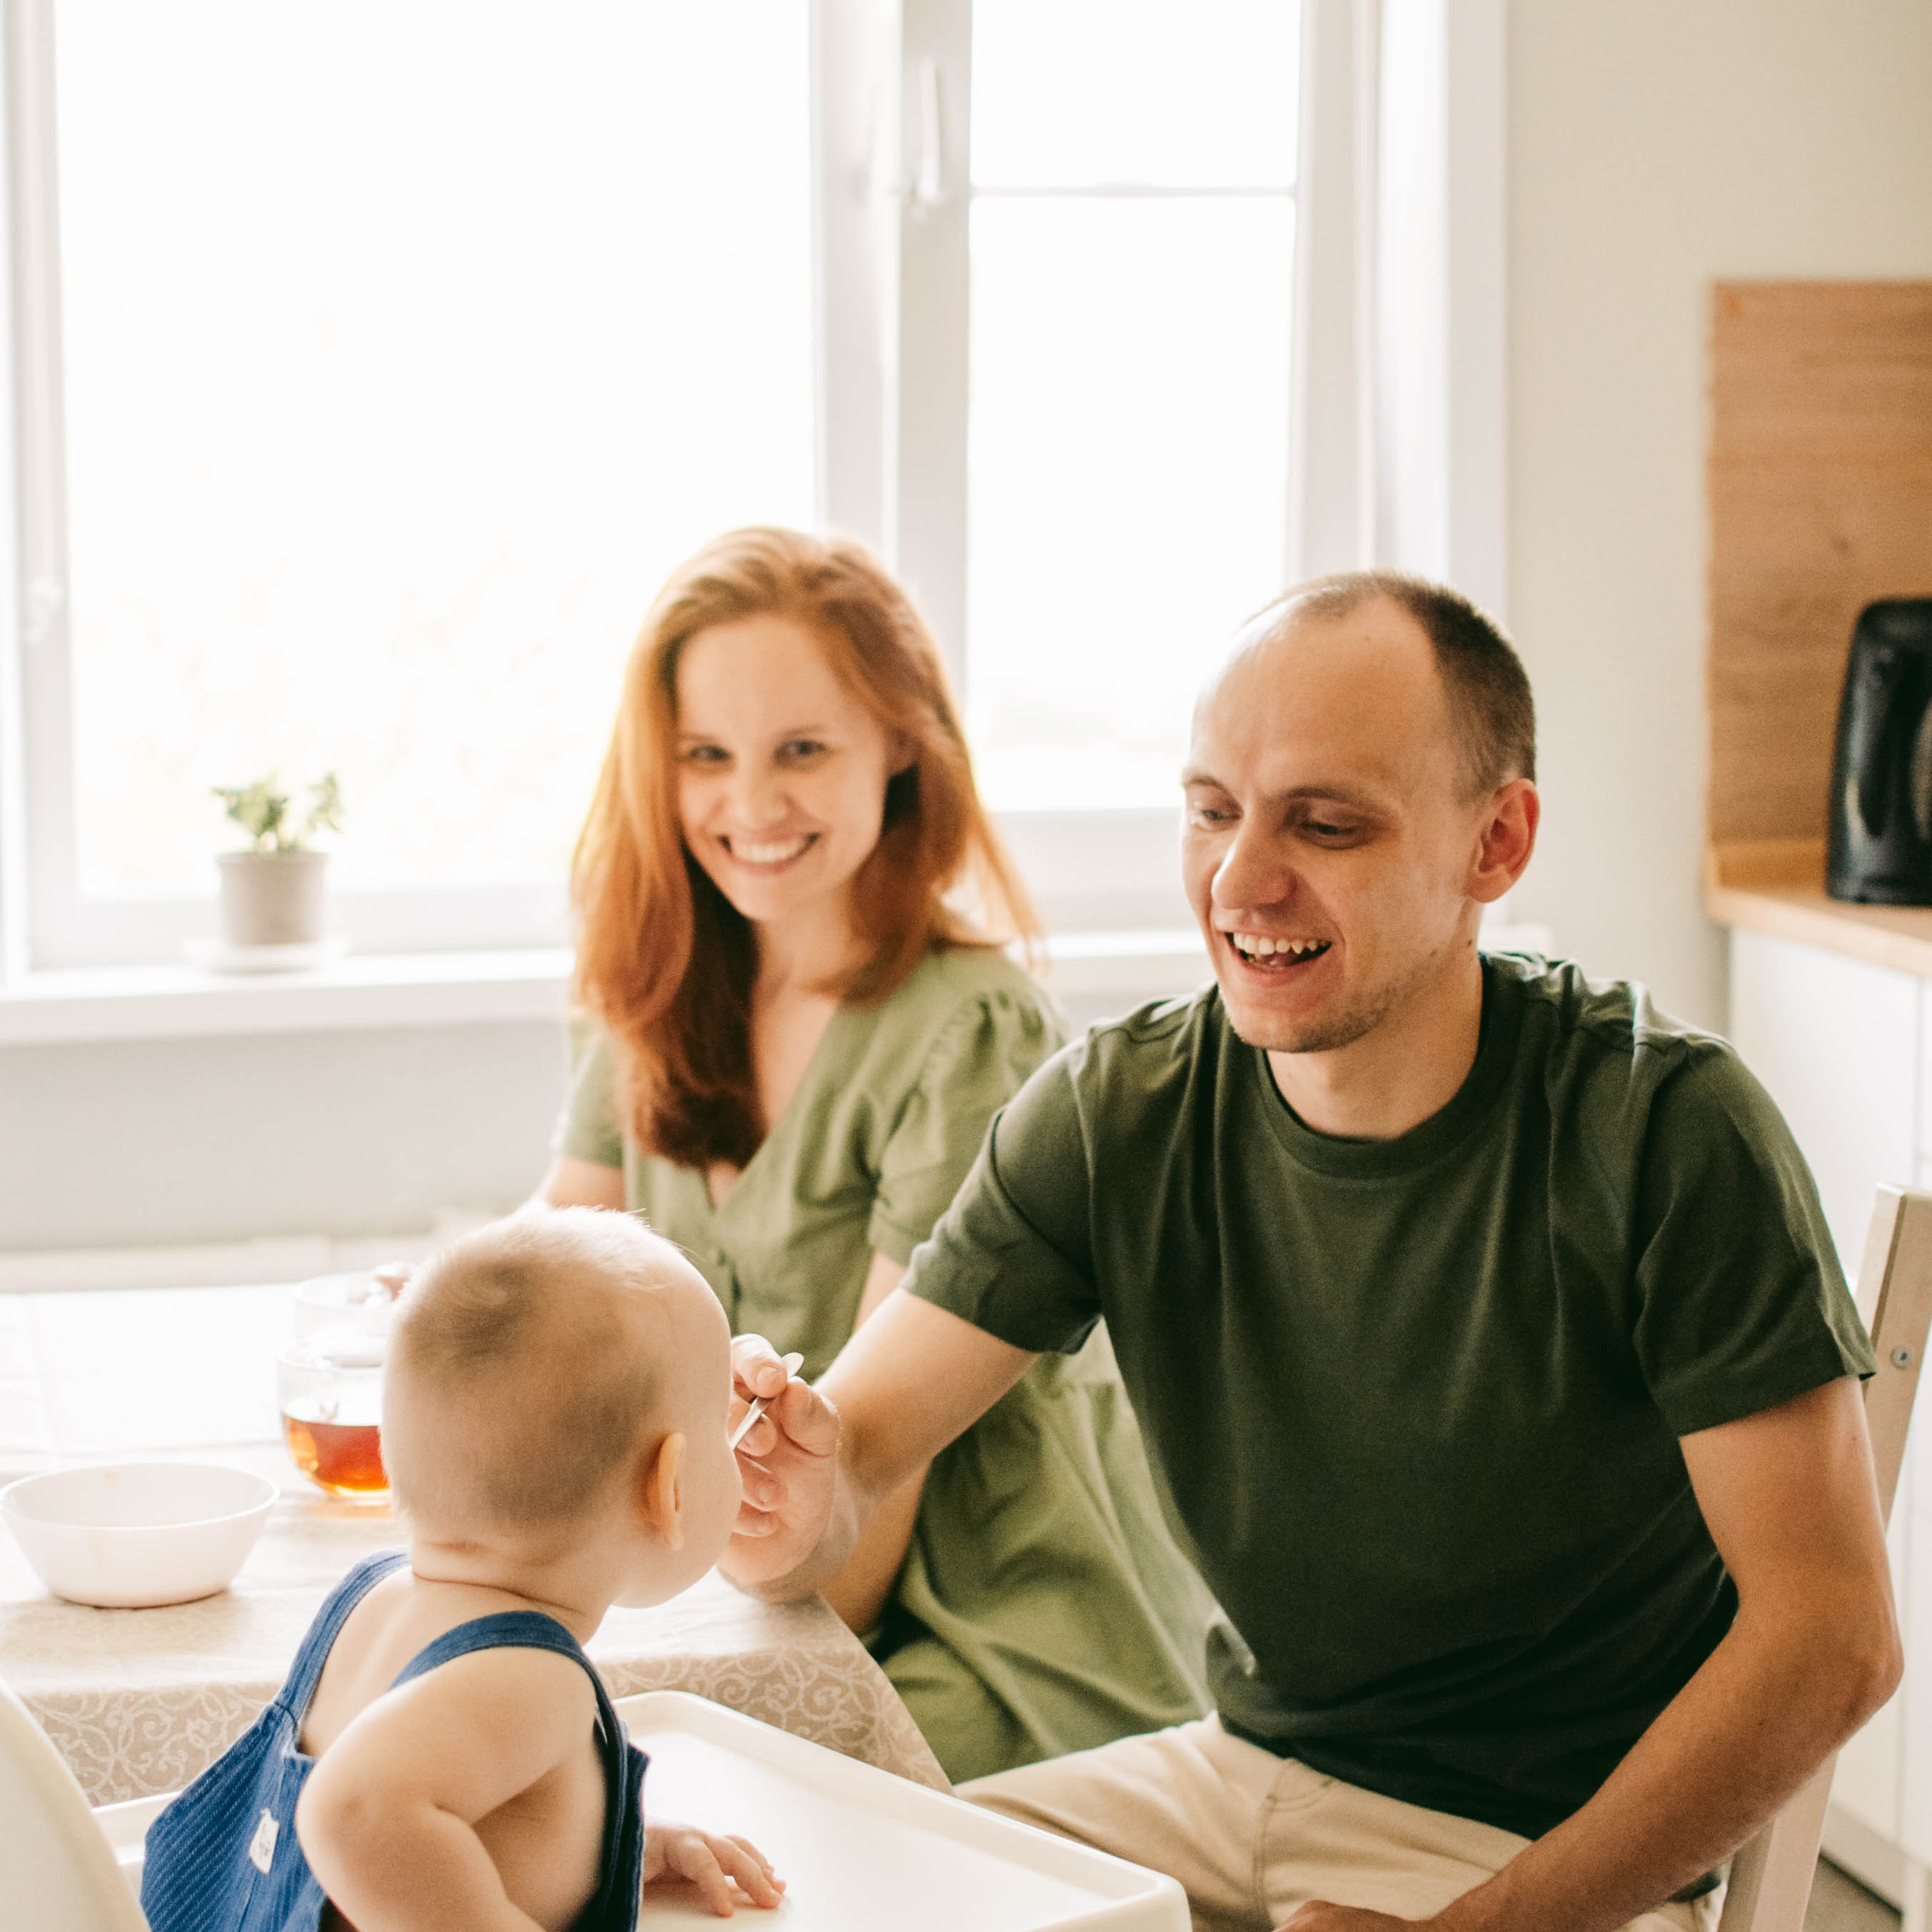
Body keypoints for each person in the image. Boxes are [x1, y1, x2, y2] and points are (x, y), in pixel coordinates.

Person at [719, 571, 1903, 1932]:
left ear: (1496, 843)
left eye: (1325, 823)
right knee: (810, 1900)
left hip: (1536, 1854)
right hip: (1230, 1769)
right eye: (1212, 811)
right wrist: (790, 1493)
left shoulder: (1663, 1129)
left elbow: (1832, 1642)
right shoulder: (1118, 1111)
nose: (1241, 880)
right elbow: (857, 1457)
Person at [538, 525, 1214, 1783]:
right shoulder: (657, 989)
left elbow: (845, 1566)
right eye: (706, 755)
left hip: (986, 1633)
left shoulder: (971, 1032)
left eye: (802, 749)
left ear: (902, 744)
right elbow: (548, 1307)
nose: (752, 805)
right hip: (733, 1582)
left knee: (579, 1793)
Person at [140, 1208, 786, 1932]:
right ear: (669, 1490)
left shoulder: (378, 1598)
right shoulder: (533, 1679)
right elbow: (357, 1814)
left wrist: (607, 1850)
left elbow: (452, 1834)